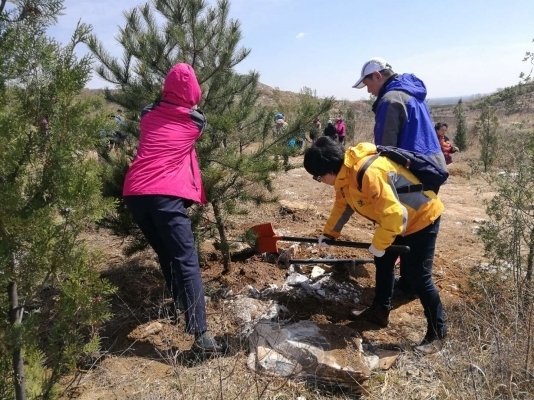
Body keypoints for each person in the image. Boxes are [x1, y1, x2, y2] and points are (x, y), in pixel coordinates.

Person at [304, 137, 447, 351]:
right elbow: (343, 205)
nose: (319, 181)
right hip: (397, 220)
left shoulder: (368, 173)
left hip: (421, 218)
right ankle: (380, 310)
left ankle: (438, 333)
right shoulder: (345, 177)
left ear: (328, 170)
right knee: (382, 260)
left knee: (419, 276)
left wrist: (379, 244)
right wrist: (330, 234)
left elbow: (394, 215)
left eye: (317, 177)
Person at [122, 63, 226, 355]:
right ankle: (201, 336)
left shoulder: (147, 114)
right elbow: (193, 118)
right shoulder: (196, 121)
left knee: (166, 253)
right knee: (186, 259)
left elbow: (149, 110)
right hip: (164, 194)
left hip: (135, 193)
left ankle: (179, 304)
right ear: (194, 90)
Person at [352, 57, 447, 298]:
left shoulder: (390, 99)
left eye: (368, 85)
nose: (370, 92)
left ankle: (407, 286)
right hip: (430, 166)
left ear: (377, 76)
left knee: (403, 223)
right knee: (417, 223)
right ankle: (409, 282)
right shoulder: (410, 92)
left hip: (413, 170)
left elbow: (385, 150)